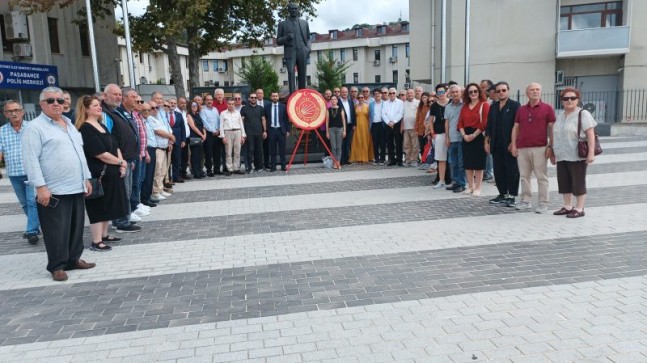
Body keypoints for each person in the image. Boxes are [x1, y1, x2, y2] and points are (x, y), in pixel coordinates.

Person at [22, 87, 96, 281]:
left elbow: (80, 154)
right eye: (51, 100)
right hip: (53, 189)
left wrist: (86, 178)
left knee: (76, 227)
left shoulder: (70, 124)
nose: (57, 103)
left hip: (76, 185)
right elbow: (31, 160)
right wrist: (40, 187)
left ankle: (73, 259)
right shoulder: (34, 127)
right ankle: (57, 266)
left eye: (60, 100)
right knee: (56, 231)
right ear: (42, 104)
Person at [75, 96, 128, 252]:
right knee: (98, 207)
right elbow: (99, 153)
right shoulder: (85, 129)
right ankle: (96, 241)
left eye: (99, 105)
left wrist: (121, 162)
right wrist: (120, 162)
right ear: (86, 109)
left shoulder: (101, 125)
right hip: (99, 174)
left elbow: (114, 146)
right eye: (95, 105)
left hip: (112, 171)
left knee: (109, 205)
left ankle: (104, 235)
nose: (99, 108)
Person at [551, 87, 597, 218]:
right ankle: (567, 206)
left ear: (578, 100)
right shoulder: (560, 115)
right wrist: (553, 153)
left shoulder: (583, 114)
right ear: (562, 101)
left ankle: (579, 208)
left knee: (578, 182)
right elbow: (555, 134)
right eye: (566, 98)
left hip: (577, 155)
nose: (569, 100)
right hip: (562, 154)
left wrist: (591, 153)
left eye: (573, 98)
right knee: (564, 181)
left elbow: (590, 135)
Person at [510, 83, 556, 213]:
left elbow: (552, 128)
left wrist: (551, 146)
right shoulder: (521, 109)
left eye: (537, 90)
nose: (535, 92)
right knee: (524, 176)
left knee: (541, 177)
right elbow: (516, 127)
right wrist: (513, 144)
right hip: (522, 148)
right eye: (532, 90)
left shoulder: (548, 108)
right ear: (527, 93)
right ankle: (526, 200)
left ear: (541, 92)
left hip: (540, 147)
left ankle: (543, 202)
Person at [0, 100, 40, 244]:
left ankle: (31, 231)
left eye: (16, 110)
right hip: (14, 173)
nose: (14, 113)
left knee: (32, 202)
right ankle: (36, 226)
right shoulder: (2, 131)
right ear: (5, 114)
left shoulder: (32, 127)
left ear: (22, 111)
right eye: (10, 111)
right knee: (24, 203)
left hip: (31, 172)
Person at [485, 82, 521, 207]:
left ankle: (512, 196)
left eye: (503, 90)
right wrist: (486, 141)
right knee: (498, 170)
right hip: (496, 143)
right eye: (498, 91)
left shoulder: (515, 105)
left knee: (511, 170)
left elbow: (518, 125)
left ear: (508, 90)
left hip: (509, 143)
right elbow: (489, 125)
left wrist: (514, 142)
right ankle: (502, 194)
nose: (501, 92)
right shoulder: (493, 106)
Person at [458, 83, 490, 196]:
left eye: (475, 91)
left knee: (478, 164)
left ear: (479, 92)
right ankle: (470, 186)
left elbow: (485, 123)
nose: (473, 93)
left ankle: (478, 187)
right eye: (470, 92)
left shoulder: (484, 105)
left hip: (478, 136)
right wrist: (464, 135)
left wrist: (474, 135)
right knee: (468, 163)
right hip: (466, 136)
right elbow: (460, 123)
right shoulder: (465, 106)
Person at [276, 2, 311, 94]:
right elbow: (278, 41)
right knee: (291, 73)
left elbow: (308, 38)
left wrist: (308, 49)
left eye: (296, 9)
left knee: (302, 74)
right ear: (288, 10)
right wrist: (287, 37)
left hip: (302, 50)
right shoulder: (282, 24)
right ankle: (292, 95)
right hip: (290, 52)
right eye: (292, 9)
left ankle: (303, 94)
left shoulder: (304, 23)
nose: (294, 10)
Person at [445, 84, 466, 193]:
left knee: (461, 163)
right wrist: (447, 137)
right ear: (450, 94)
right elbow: (447, 122)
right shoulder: (448, 107)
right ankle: (456, 182)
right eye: (452, 92)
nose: (455, 94)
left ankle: (462, 184)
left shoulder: (465, 105)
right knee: (453, 163)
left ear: (461, 92)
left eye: (457, 92)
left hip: (462, 138)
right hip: (452, 138)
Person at [428, 84, 451, 188]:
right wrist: (433, 133)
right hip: (439, 134)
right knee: (441, 159)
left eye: (442, 92)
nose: (441, 94)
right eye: (439, 92)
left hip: (452, 134)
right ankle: (441, 180)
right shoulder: (434, 105)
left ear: (446, 92)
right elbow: (431, 120)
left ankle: (456, 180)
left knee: (454, 158)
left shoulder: (451, 103)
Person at [240, 93, 267, 173]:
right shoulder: (244, 108)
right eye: (252, 97)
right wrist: (243, 132)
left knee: (259, 150)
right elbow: (242, 120)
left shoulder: (261, 108)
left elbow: (263, 119)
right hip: (249, 133)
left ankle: (259, 167)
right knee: (250, 150)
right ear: (249, 99)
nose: (254, 99)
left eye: (255, 97)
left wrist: (265, 131)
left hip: (259, 132)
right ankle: (249, 167)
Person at [219, 98, 247, 175]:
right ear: (227, 104)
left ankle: (236, 168)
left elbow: (241, 124)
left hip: (237, 132)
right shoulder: (223, 113)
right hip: (228, 132)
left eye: (232, 104)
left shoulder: (238, 113)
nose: (231, 105)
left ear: (234, 105)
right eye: (229, 104)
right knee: (228, 152)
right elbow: (221, 126)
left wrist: (243, 136)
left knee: (237, 151)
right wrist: (223, 136)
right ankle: (230, 169)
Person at [264, 92, 290, 171]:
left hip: (281, 130)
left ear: (278, 97)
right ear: (271, 97)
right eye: (273, 96)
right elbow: (265, 119)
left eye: (276, 96)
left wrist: (288, 130)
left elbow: (286, 119)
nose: (274, 97)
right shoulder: (267, 107)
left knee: (282, 149)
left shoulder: (283, 106)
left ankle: (283, 165)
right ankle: (273, 166)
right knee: (272, 149)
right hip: (271, 130)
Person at [140, 102, 159, 208]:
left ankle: (148, 195)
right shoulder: (141, 121)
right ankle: (144, 198)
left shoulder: (149, 120)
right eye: (144, 110)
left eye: (148, 110)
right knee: (146, 175)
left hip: (153, 148)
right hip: (147, 150)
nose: (147, 112)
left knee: (151, 174)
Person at [200, 94, 222, 177]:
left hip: (217, 133)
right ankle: (209, 170)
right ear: (205, 101)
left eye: (211, 100)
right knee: (209, 153)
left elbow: (219, 120)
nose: (210, 101)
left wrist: (218, 130)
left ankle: (217, 169)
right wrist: (213, 131)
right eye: (208, 100)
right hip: (209, 134)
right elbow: (204, 122)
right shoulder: (203, 111)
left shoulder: (215, 109)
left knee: (217, 152)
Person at [382, 87, 404, 166]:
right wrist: (388, 122)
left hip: (397, 124)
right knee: (389, 143)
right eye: (390, 93)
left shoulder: (400, 102)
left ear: (396, 94)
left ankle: (399, 160)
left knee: (398, 143)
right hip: (388, 125)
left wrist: (393, 122)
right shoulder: (385, 103)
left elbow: (400, 113)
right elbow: (383, 114)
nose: (391, 94)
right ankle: (392, 160)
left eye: (393, 93)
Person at [349, 92, 373, 163]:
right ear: (357, 98)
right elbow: (353, 116)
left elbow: (370, 117)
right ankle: (358, 158)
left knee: (365, 140)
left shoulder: (367, 106)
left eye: (362, 97)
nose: (361, 99)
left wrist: (369, 126)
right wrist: (354, 125)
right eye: (359, 97)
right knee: (358, 141)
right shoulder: (355, 106)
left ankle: (366, 157)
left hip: (365, 125)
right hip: (357, 125)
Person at [167, 97, 187, 183]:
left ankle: (176, 177)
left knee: (177, 159)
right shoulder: (164, 114)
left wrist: (183, 140)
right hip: (167, 140)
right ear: (168, 103)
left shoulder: (178, 114)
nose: (173, 105)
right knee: (167, 160)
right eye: (171, 103)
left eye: (174, 103)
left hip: (178, 140)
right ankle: (167, 178)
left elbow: (183, 128)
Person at [326, 95, 347, 169]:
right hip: (331, 129)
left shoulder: (341, 109)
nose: (333, 100)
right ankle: (334, 162)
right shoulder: (328, 110)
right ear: (331, 101)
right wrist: (327, 132)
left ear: (337, 101)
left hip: (340, 129)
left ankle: (338, 162)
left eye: (335, 99)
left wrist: (344, 130)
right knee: (333, 147)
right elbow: (327, 121)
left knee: (339, 147)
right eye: (332, 99)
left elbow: (343, 120)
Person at [186, 102, 207, 178]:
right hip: (194, 137)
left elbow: (202, 125)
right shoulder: (189, 115)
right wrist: (201, 135)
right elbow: (193, 127)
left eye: (195, 105)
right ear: (189, 106)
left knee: (200, 155)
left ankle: (200, 170)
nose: (194, 107)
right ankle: (196, 172)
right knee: (195, 155)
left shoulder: (198, 114)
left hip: (201, 137)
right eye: (193, 106)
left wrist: (204, 134)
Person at [401, 89, 420, 167]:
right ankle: (408, 159)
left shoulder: (418, 102)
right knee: (406, 145)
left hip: (414, 127)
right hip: (406, 127)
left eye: (411, 93)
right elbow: (402, 115)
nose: (409, 94)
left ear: (414, 94)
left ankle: (415, 160)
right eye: (408, 93)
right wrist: (402, 126)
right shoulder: (404, 103)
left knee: (415, 145)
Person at [338, 87, 356, 165]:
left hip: (350, 125)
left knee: (348, 143)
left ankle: (347, 159)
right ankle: (341, 160)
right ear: (340, 93)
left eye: (345, 92)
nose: (344, 93)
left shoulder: (350, 101)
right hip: (341, 126)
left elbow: (353, 113)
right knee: (341, 143)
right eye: (343, 92)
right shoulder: (338, 102)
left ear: (347, 93)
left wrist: (354, 124)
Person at [415, 91, 432, 169]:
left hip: (427, 130)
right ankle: (423, 161)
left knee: (427, 146)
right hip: (420, 130)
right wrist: (416, 129)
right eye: (423, 98)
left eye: (425, 97)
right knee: (422, 147)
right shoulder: (420, 107)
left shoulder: (430, 106)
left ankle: (428, 162)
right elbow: (417, 118)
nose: (424, 99)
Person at [369, 88, 385, 165]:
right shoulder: (371, 104)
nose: (377, 95)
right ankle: (376, 159)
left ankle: (382, 159)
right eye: (375, 94)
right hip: (374, 125)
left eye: (378, 93)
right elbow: (369, 115)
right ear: (373, 95)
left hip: (382, 124)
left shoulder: (385, 103)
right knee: (375, 143)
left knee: (382, 142)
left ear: (381, 94)